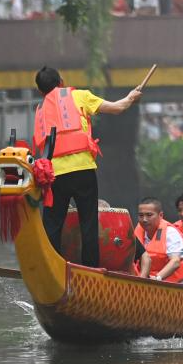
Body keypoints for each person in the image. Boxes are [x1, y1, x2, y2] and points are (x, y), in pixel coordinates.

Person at [32, 66, 141, 268]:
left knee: (52, 224)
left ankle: (52, 266)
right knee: (88, 222)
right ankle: (90, 269)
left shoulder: (40, 111)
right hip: (83, 171)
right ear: (61, 82)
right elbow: (118, 107)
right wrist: (131, 97)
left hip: (54, 175)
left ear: (40, 91)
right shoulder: (80, 96)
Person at [134, 197, 183, 283]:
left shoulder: (170, 233)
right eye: (141, 215)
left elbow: (175, 261)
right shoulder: (137, 233)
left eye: (149, 215)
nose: (144, 219)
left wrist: (157, 278)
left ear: (160, 215)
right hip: (157, 283)